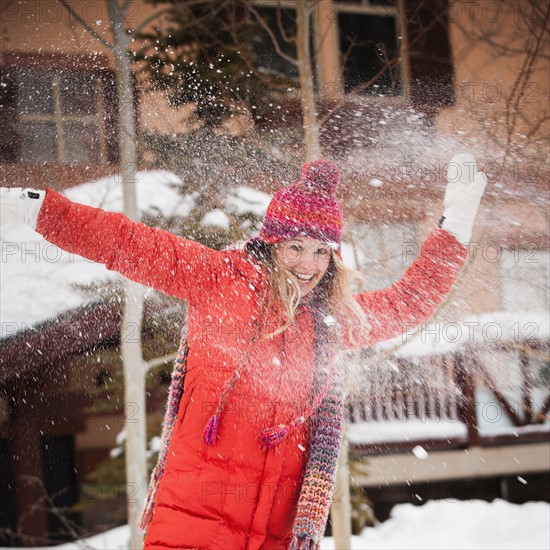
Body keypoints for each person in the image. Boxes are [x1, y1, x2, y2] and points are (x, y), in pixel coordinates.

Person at [0, 156, 486, 549]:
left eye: (322, 252)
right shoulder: (219, 280)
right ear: (272, 242)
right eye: (296, 246)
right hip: (192, 524)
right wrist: (40, 209)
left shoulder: (331, 322)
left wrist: (456, 222)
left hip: (275, 535)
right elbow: (130, 244)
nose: (308, 264)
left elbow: (409, 301)